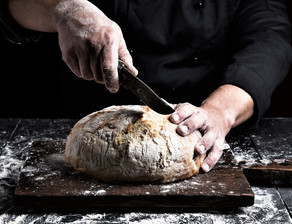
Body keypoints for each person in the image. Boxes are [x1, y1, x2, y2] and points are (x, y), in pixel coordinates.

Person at [1, 0, 291, 172]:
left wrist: (219, 112)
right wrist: (63, 8)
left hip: (196, 129)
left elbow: (269, 38)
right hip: (86, 127)